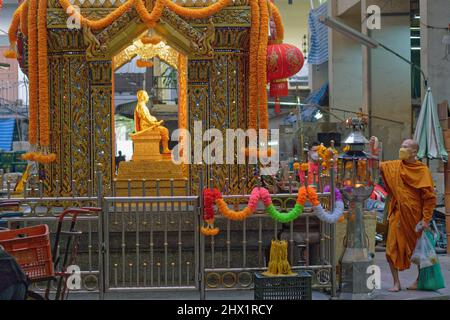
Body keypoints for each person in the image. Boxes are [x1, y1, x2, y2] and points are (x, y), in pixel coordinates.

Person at [378, 138, 436, 292]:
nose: (401, 149)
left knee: (417, 252)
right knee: (391, 249)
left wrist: (425, 219)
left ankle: (418, 280)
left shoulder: (422, 171)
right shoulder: (395, 166)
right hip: (398, 214)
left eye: (405, 147)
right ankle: (396, 283)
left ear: (414, 152)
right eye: (401, 146)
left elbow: (429, 198)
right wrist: (374, 150)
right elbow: (378, 166)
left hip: (414, 217)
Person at [134, 90, 170, 154]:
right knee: (164, 130)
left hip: (148, 125)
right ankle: (165, 149)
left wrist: (153, 119)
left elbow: (147, 117)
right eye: (147, 96)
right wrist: (155, 123)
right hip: (146, 127)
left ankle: (163, 149)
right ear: (143, 96)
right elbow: (146, 118)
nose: (148, 97)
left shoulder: (141, 105)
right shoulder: (141, 106)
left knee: (163, 130)